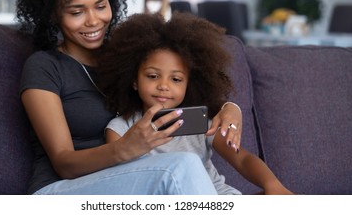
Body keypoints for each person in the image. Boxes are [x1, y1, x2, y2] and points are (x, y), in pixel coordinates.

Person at [17, 0, 242, 195]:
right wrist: (125, 148)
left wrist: (230, 108)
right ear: (53, 14)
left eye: (101, 6)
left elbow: (182, 88)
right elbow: (64, 163)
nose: (93, 21)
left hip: (127, 184)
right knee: (179, 168)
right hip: (60, 191)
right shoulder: (44, 66)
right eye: (77, 12)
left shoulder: (128, 56)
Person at [99, 12, 293, 195]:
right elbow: (128, 185)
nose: (164, 86)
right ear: (133, 80)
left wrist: (274, 186)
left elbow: (241, 158)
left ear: (189, 84)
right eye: (153, 76)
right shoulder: (120, 130)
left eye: (176, 79)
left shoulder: (200, 123)